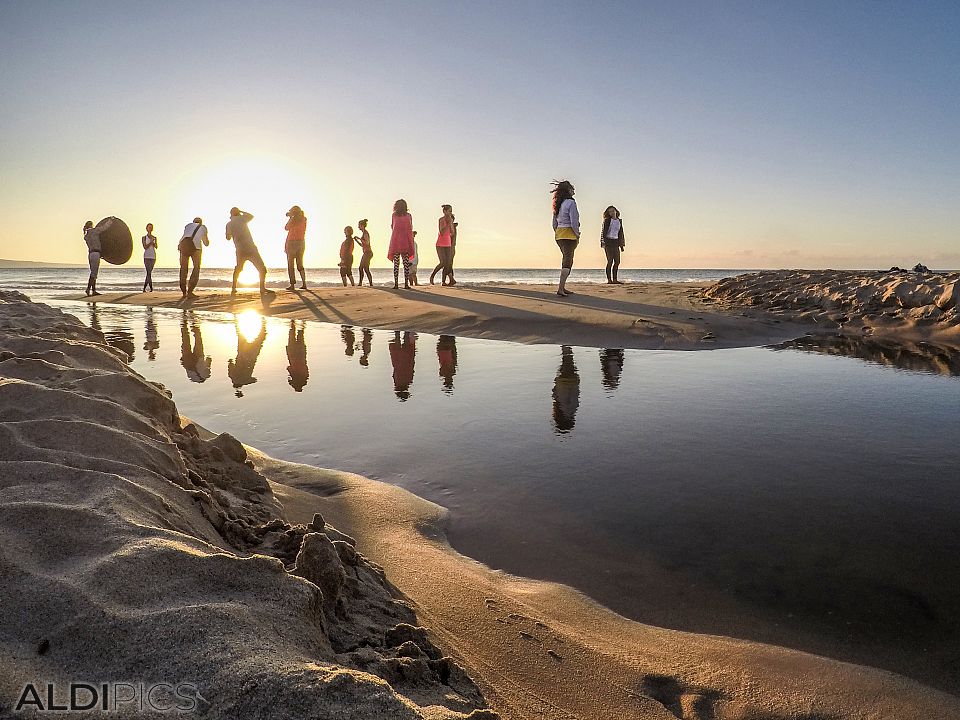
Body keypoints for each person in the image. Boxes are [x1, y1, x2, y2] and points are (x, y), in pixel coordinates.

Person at [226, 207, 271, 295]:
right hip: (251, 248)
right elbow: (251, 216)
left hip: (240, 249)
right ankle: (262, 288)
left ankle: (233, 288)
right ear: (238, 213)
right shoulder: (242, 219)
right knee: (262, 268)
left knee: (238, 268)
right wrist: (241, 211)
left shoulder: (229, 224)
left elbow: (228, 237)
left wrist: (233, 234)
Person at [551, 180, 579, 297]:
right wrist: (577, 234)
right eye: (572, 189)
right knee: (568, 261)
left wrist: (557, 232)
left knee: (566, 259)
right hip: (569, 235)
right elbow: (574, 221)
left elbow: (554, 223)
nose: (574, 191)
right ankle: (560, 288)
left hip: (559, 235)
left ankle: (562, 287)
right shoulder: (571, 203)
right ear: (568, 190)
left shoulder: (557, 203)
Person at [178, 216, 209, 299]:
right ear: (201, 223)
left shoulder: (188, 225)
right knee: (196, 267)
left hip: (184, 246)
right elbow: (206, 243)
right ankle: (190, 291)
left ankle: (183, 291)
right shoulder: (203, 227)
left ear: (193, 222)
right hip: (196, 248)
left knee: (183, 268)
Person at [552, 345, 580, 433]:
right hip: (563, 383)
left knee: (568, 361)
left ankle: (566, 345)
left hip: (572, 382)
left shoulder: (573, 410)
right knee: (567, 360)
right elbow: (556, 396)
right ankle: (566, 345)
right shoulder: (565, 410)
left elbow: (576, 394)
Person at [387, 199, 415, 289]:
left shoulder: (394, 215)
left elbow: (392, 227)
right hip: (405, 242)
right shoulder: (408, 216)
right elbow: (411, 227)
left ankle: (396, 284)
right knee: (406, 263)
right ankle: (406, 284)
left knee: (396, 264)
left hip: (396, 242)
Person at [83, 218, 113, 296]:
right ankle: (88, 289)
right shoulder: (94, 231)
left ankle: (93, 290)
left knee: (93, 272)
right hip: (96, 254)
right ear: (91, 225)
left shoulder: (86, 236)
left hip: (90, 254)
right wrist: (111, 220)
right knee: (94, 273)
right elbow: (104, 227)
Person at [430, 204, 456, 285]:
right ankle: (432, 276)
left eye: (451, 211)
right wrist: (447, 224)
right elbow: (441, 232)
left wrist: (451, 225)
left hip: (448, 244)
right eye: (449, 211)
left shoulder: (450, 220)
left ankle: (444, 281)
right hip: (440, 244)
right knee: (443, 262)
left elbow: (452, 233)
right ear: (444, 211)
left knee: (448, 263)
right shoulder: (441, 220)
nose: (450, 212)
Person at [284, 205, 307, 290]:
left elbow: (286, 228)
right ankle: (304, 283)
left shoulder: (293, 220)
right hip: (301, 242)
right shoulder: (304, 219)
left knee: (290, 264)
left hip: (292, 242)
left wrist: (290, 217)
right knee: (300, 264)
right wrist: (292, 216)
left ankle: (292, 285)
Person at [601, 206, 625, 284]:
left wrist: (622, 245)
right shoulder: (607, 221)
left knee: (617, 261)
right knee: (610, 261)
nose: (611, 213)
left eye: (613, 211)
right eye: (610, 212)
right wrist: (603, 243)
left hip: (616, 242)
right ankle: (609, 280)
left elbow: (621, 233)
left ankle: (615, 279)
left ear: (616, 211)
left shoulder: (619, 221)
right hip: (608, 242)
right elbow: (603, 232)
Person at [286, 320, 309, 391]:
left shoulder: (304, 378)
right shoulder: (295, 378)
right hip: (293, 356)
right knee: (292, 337)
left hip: (301, 356)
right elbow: (289, 368)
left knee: (300, 337)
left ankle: (302, 323)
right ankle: (293, 323)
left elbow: (306, 368)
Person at [356, 219, 374, 286]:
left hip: (368, 253)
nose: (358, 227)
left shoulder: (366, 233)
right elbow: (362, 245)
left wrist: (359, 239)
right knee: (365, 268)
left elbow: (367, 242)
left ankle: (361, 283)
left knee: (361, 268)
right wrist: (357, 241)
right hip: (366, 252)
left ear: (362, 225)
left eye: (359, 225)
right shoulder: (364, 233)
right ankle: (370, 283)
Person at [142, 223, 158, 292]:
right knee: (148, 272)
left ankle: (146, 288)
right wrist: (151, 242)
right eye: (149, 227)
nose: (150, 229)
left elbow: (156, 246)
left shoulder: (154, 237)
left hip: (153, 256)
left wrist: (153, 242)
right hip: (146, 256)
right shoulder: (144, 238)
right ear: (146, 228)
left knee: (149, 272)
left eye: (151, 227)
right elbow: (145, 247)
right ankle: (149, 288)